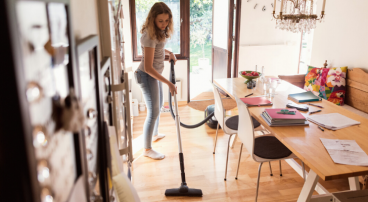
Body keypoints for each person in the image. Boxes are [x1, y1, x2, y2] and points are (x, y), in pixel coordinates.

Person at [134, 2, 177, 160]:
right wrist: (169, 83)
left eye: (167, 21)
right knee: (153, 112)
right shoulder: (150, 35)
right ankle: (147, 149)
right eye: (161, 21)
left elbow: (158, 48)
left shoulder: (158, 32)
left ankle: (155, 134)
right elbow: (148, 67)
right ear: (153, 19)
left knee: (158, 107)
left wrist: (169, 52)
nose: (164, 24)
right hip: (146, 75)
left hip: (153, 74)